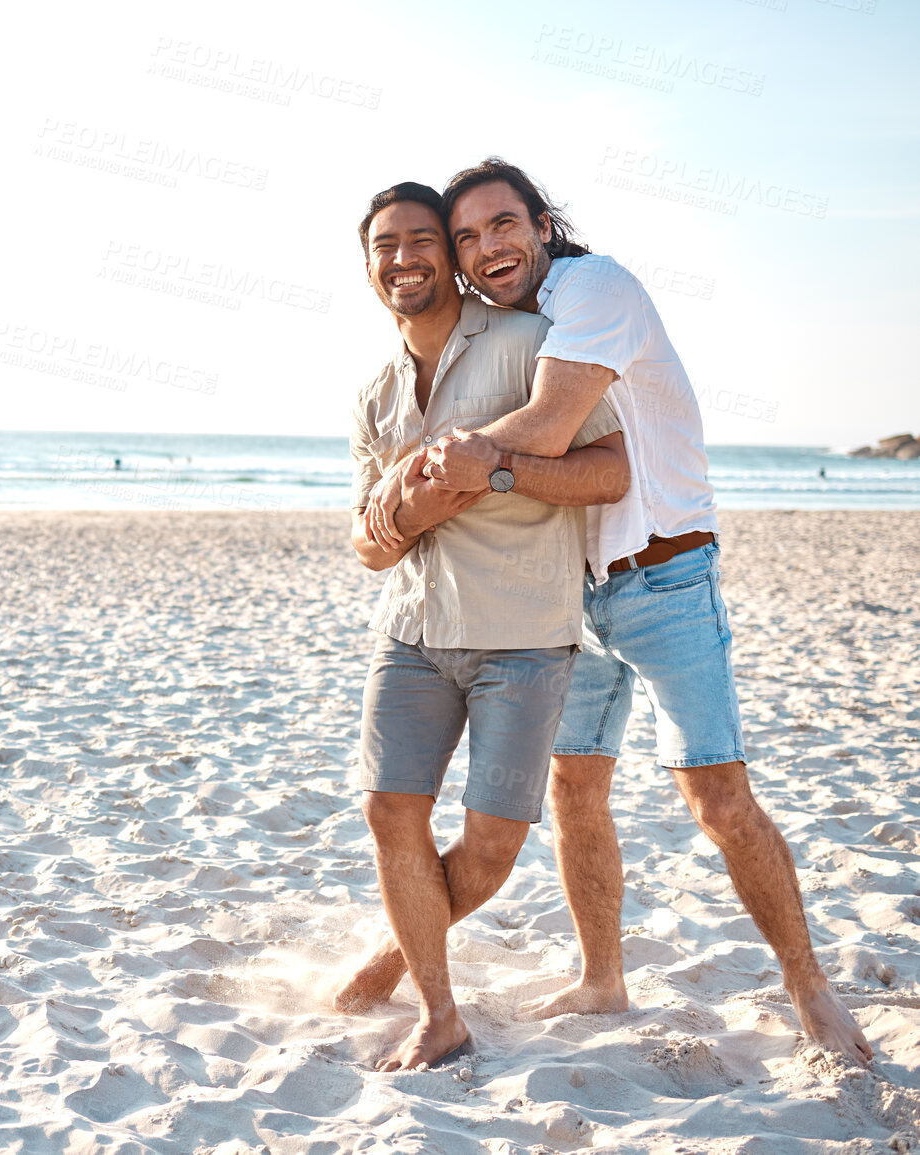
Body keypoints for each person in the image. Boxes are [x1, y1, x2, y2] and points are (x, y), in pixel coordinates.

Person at [362, 158, 871, 1065]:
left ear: (543, 225)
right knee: (574, 789)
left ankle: (808, 985)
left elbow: (552, 430)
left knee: (717, 798)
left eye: (502, 224)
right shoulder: (515, 328)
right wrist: (446, 478)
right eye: (469, 236)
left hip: (664, 578)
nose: (486, 247)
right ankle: (603, 978)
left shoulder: (593, 286)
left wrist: (428, 470)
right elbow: (518, 464)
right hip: (570, 593)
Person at [343, 181, 629, 1070]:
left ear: (452, 254)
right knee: (390, 811)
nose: (404, 258)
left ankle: (398, 952)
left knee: (494, 841)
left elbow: (611, 469)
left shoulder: (527, 344)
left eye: (422, 239)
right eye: (384, 246)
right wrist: (396, 516)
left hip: (523, 639)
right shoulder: (375, 392)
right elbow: (369, 542)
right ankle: (439, 1008)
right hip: (411, 635)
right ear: (367, 266)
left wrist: (486, 473)